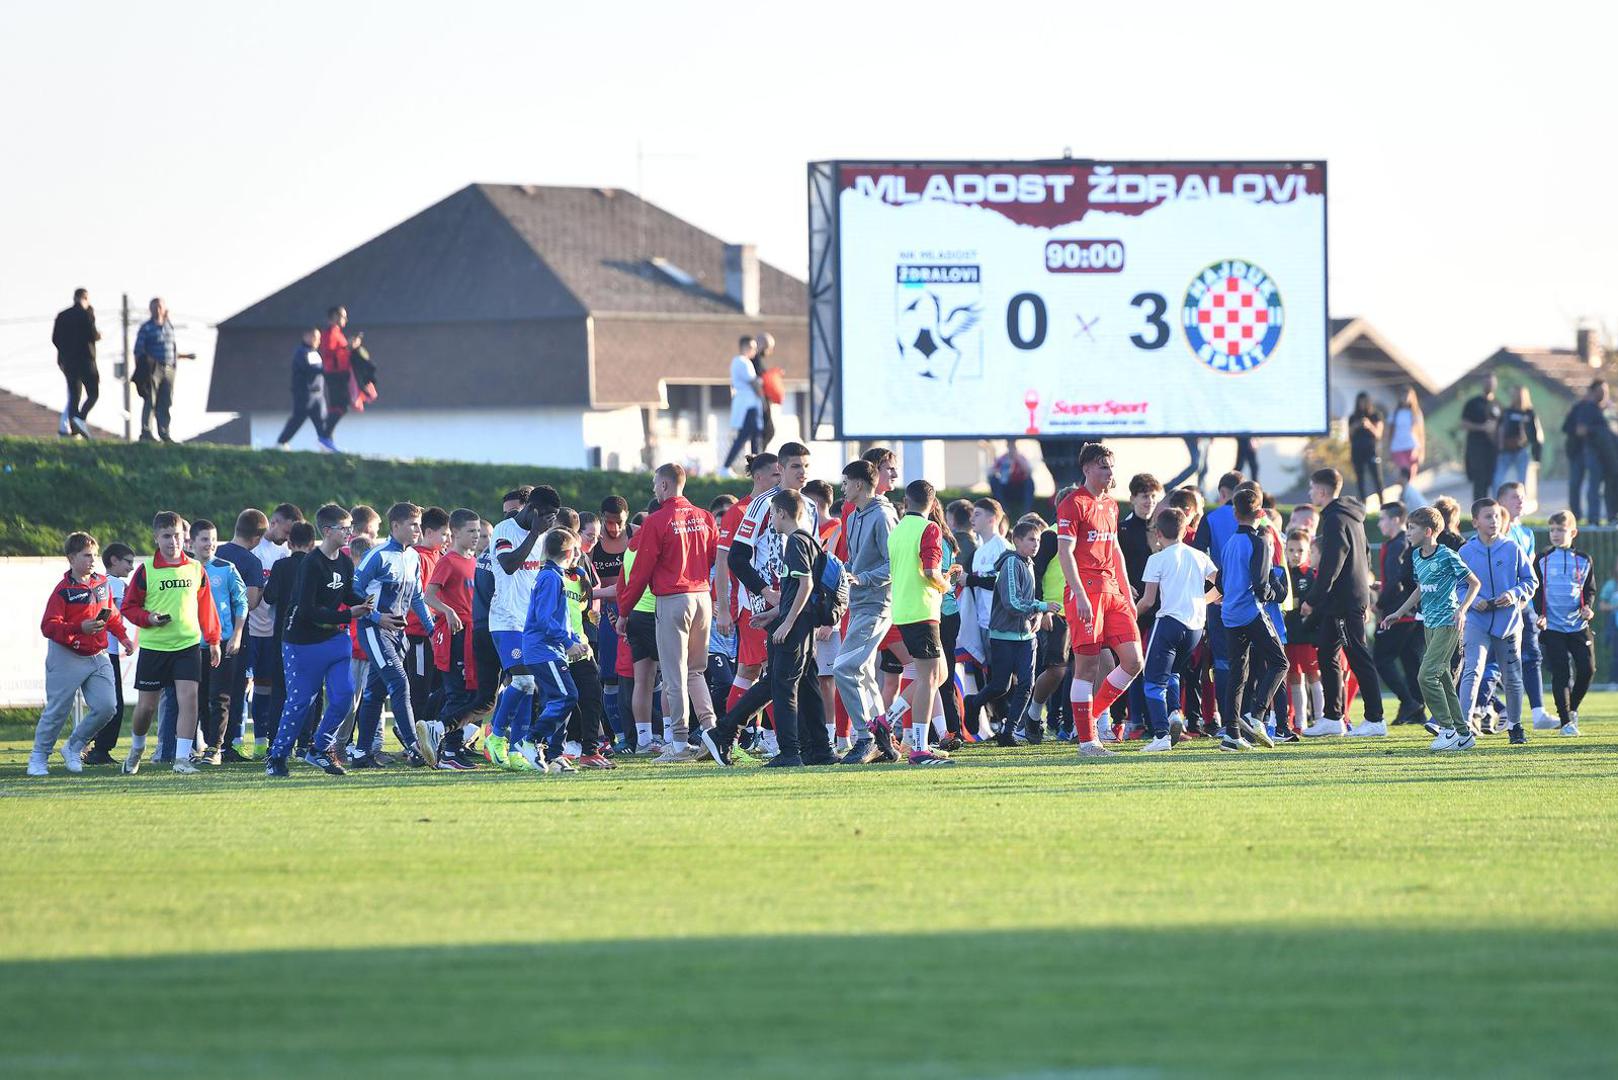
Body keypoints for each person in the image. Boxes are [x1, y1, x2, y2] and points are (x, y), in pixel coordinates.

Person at [707, 489, 835, 767]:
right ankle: (818, 749)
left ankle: (789, 751)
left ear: (780, 513)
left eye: (773, 515)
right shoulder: (810, 540)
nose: (771, 522)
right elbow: (795, 591)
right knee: (798, 683)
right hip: (799, 622)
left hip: (794, 626)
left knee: (782, 686)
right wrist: (773, 614)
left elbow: (805, 586)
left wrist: (786, 622)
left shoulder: (795, 543)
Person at [618, 463, 720, 764]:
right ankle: (712, 731)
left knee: (674, 674)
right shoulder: (705, 516)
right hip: (702, 596)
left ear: (664, 486)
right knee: (695, 671)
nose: (653, 489)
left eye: (654, 483)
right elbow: (713, 556)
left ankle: (678, 742)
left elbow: (640, 571)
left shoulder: (657, 520)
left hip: (673, 598)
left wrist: (625, 610)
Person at [265, 504, 374, 777]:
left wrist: (367, 603)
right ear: (327, 531)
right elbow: (306, 610)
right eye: (344, 528)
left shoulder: (345, 561)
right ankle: (277, 756)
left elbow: (347, 594)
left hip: (335, 640)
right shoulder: (311, 564)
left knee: (344, 696)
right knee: (300, 701)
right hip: (302, 642)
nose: (350, 532)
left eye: (351, 527)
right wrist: (350, 613)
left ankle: (319, 749)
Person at [1056, 443, 1144, 758]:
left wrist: (1127, 590)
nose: (1109, 473)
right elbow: (1064, 552)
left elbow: (1115, 550)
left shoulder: (1110, 504)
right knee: (1087, 666)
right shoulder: (1072, 503)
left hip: (1112, 591)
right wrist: (1078, 594)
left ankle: (1089, 719)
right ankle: (1086, 742)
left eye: (1111, 467)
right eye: (1103, 467)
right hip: (1086, 590)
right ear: (1087, 469)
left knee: (1134, 660)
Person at [118, 511, 222, 774]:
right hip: (155, 648)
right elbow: (129, 608)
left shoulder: (196, 568)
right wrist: (149, 618)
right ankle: (137, 749)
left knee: (189, 701)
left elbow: (206, 607)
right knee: (146, 708)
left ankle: (182, 759)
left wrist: (213, 640)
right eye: (166, 536)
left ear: (184, 536)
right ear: (156, 538)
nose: (172, 542)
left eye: (176, 536)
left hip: (187, 646)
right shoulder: (146, 571)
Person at [1378, 507, 1481, 752]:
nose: (1407, 531)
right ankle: (1464, 734)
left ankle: (1447, 730)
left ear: (1427, 531)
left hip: (1448, 622)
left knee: (1426, 675)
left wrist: (1462, 609)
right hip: (1428, 623)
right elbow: (1420, 588)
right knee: (1443, 679)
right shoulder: (1415, 556)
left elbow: (1474, 583)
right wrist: (1400, 612)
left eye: (1412, 528)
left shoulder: (1446, 554)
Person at [29, 532, 134, 775]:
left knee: (108, 706)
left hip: (97, 653)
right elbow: (48, 626)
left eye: (94, 555)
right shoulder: (63, 590)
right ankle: (38, 758)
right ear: (71, 558)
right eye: (87, 555)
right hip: (66, 654)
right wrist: (79, 628)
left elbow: (110, 614)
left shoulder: (101, 583)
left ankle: (74, 747)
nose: (92, 560)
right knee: (58, 710)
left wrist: (123, 636)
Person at [352, 502, 436, 768]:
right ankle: (415, 747)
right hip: (374, 631)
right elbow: (354, 592)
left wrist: (432, 629)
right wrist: (377, 617)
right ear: (396, 526)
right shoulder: (376, 556)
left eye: (419, 525)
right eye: (413, 525)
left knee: (375, 693)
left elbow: (417, 598)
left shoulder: (413, 557)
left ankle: (361, 753)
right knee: (400, 684)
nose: (417, 530)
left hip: (399, 635)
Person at [1302, 467, 1383, 736]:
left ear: (1323, 491)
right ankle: (1333, 717)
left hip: (1345, 600)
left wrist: (1313, 598)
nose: (1310, 492)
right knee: (1326, 652)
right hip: (1344, 599)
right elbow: (1365, 556)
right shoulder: (1350, 516)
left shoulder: (1336, 518)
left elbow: (1332, 563)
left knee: (1357, 655)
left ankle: (1375, 719)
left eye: (1312, 488)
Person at [964, 520, 1058, 745]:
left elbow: (1027, 598)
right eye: (1031, 540)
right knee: (1000, 685)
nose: (1036, 545)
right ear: (1016, 541)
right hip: (1003, 636)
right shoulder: (1011, 564)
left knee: (1026, 684)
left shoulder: (1029, 563)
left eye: (1038, 540)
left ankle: (1009, 733)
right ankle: (974, 702)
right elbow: (1012, 602)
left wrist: (1036, 614)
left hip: (1026, 637)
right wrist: (1041, 607)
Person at [485, 485, 559, 766]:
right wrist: (534, 533)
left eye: (553, 517)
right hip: (505, 620)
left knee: (530, 686)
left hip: (529, 622)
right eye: (546, 515)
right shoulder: (505, 530)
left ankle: (517, 751)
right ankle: (496, 736)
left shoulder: (542, 538)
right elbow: (509, 565)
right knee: (524, 681)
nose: (549, 521)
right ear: (532, 510)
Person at [831, 459, 899, 764]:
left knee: (844, 668)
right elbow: (858, 562)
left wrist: (862, 577)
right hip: (859, 604)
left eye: (845, 483)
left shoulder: (884, 515)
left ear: (859, 484)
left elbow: (894, 565)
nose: (842, 488)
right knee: (864, 673)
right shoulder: (855, 515)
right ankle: (883, 742)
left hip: (878, 604)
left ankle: (865, 737)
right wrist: (842, 572)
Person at [1135, 507, 1218, 751]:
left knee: (1152, 680)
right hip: (1195, 628)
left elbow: (1148, 600)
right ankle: (1174, 714)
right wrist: (1202, 600)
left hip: (1169, 622)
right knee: (1173, 673)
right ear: (1184, 530)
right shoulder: (1199, 556)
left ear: (1158, 533)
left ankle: (1161, 734)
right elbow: (1220, 585)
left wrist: (1130, 615)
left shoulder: (1157, 559)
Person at [1456, 498, 1536, 745]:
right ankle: (1464, 728)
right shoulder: (1465, 552)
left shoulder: (1512, 548)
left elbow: (1531, 581)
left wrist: (1513, 594)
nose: (1494, 521)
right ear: (1475, 521)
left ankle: (1515, 726)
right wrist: (1473, 599)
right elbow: (1458, 585)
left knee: (1512, 676)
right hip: (1477, 621)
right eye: (1488, 517)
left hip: (1509, 622)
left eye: (1497, 517)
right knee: (1473, 669)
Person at [1217, 487, 1288, 751]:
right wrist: (1275, 591)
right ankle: (1256, 715)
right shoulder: (1259, 542)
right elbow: (1260, 586)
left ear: (1235, 513)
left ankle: (1231, 734)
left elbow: (1222, 582)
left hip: (1230, 615)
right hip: (1251, 611)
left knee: (1238, 673)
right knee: (1281, 662)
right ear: (1260, 513)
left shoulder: (1229, 543)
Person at [422, 508, 485, 770]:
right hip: (454, 636)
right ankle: (449, 751)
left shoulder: (475, 561)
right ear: (456, 532)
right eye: (470, 531)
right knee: (457, 694)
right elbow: (428, 595)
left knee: (473, 695)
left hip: (473, 635)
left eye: (478, 531)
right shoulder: (448, 561)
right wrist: (447, 611)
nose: (475, 536)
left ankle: (451, 746)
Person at [190, 520, 248, 765]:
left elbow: (241, 602)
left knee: (219, 697)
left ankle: (215, 749)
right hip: (192, 643)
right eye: (204, 539)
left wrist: (236, 635)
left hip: (223, 642)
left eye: (213, 539)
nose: (210, 544)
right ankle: (200, 747)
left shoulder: (226, 568)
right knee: (198, 698)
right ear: (191, 542)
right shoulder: (185, 569)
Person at [247, 504, 302, 755]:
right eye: (286, 531)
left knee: (271, 687)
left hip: (275, 632)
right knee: (247, 688)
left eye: (292, 534)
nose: (287, 538)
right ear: (274, 522)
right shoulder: (254, 551)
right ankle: (253, 741)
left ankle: (270, 741)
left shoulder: (286, 556)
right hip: (251, 629)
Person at [1533, 511, 1594, 737]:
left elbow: (1589, 589)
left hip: (1578, 626)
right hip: (1553, 627)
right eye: (1552, 530)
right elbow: (1537, 591)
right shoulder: (1542, 558)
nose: (1555, 534)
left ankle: (1573, 709)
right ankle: (1566, 722)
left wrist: (1588, 606)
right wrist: (1540, 614)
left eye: (1561, 530)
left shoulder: (1584, 559)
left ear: (1573, 532)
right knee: (1561, 675)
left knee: (1588, 669)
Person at [82, 542, 137, 765]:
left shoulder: (101, 582)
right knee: (114, 704)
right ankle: (99, 749)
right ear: (114, 560)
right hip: (107, 651)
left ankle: (87, 743)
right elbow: (108, 614)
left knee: (105, 702)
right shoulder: (115, 584)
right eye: (128, 562)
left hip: (98, 650)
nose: (131, 568)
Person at [1371, 502, 1425, 726]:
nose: (1379, 523)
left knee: (1381, 659)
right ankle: (1416, 711)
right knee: (1410, 660)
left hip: (1400, 613)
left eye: (1382, 518)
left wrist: (1381, 602)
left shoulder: (1399, 544)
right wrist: (1381, 586)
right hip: (1408, 611)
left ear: (1395, 520)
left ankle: (1409, 702)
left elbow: (1397, 581)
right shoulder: (1398, 543)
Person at [132, 297, 193, 442]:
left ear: (164, 308)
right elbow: (138, 351)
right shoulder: (146, 328)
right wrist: (142, 370)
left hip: (169, 367)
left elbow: (173, 347)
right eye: (154, 307)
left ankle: (164, 432)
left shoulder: (168, 326)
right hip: (154, 368)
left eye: (159, 307)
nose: (157, 310)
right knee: (150, 400)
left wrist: (177, 362)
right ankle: (146, 432)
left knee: (165, 401)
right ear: (150, 310)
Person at [1564, 380, 1616, 525]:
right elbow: (1576, 429)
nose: (1604, 395)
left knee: (1608, 486)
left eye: (1605, 392)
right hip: (1586, 453)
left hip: (1607, 455)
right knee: (1584, 485)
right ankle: (1587, 518)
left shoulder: (1608, 410)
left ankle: (1609, 517)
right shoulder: (1584, 408)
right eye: (1600, 391)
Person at [51, 288, 101, 439]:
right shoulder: (87, 314)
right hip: (86, 360)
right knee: (93, 393)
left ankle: (74, 428)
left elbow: (55, 339)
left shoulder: (62, 315)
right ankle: (80, 418)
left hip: (68, 362)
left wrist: (65, 354)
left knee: (74, 395)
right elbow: (92, 334)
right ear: (85, 298)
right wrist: (99, 336)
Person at [275, 327, 327, 448]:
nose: (318, 341)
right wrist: (328, 370)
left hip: (318, 395)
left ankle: (325, 444)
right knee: (297, 419)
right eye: (315, 337)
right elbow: (312, 369)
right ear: (306, 337)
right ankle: (281, 443)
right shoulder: (302, 352)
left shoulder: (315, 353)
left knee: (322, 421)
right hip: (305, 394)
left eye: (319, 338)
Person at [721, 335, 762, 472]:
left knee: (752, 436)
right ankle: (727, 466)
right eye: (752, 347)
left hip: (748, 403)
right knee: (747, 436)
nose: (755, 351)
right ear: (745, 347)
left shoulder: (740, 362)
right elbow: (754, 383)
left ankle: (756, 467)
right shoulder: (742, 362)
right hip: (748, 405)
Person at [1459, 373, 1502, 502]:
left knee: (1492, 480)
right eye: (1487, 382)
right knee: (1479, 481)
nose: (1489, 385)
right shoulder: (1473, 403)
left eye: (1491, 383)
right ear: (1482, 384)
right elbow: (1463, 424)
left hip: (1493, 449)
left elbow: (1502, 426)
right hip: (1476, 448)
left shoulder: (1498, 404)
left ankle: (1490, 510)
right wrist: (1482, 427)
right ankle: (1478, 511)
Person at [1491, 385, 1542, 491]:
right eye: (1515, 395)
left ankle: (1521, 503)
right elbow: (1500, 429)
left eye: (1519, 395)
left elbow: (1535, 433)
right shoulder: (1507, 412)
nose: (1517, 398)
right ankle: (1498, 503)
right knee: (1498, 480)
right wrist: (1499, 446)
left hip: (1522, 449)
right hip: (1506, 449)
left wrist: (1537, 454)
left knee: (1522, 481)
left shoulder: (1529, 413)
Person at [318, 306, 351, 452]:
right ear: (334, 317)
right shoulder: (330, 333)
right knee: (341, 406)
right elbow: (329, 353)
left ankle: (328, 441)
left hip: (340, 374)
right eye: (342, 316)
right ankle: (325, 437)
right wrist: (347, 347)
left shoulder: (338, 333)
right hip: (335, 374)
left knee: (336, 406)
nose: (345, 319)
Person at [1347, 392, 1385, 504]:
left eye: (1364, 401)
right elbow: (1349, 434)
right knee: (1360, 480)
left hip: (1371, 451)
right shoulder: (1353, 417)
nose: (1362, 404)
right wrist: (1357, 425)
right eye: (1360, 402)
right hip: (1357, 451)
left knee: (1377, 478)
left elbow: (1378, 433)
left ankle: (1382, 503)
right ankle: (1363, 504)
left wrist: (1369, 425)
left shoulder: (1375, 416)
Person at [1388, 386, 1425, 498]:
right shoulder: (1394, 414)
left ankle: (1407, 497)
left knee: (1411, 476)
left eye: (1407, 395)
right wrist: (1388, 449)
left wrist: (1421, 451)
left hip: (1412, 447)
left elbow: (1420, 434)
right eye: (1403, 395)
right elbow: (1390, 432)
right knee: (1403, 472)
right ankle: (1403, 496)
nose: (1405, 398)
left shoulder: (1415, 413)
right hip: (1398, 448)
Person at [988, 443, 1035, 517]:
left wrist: (1017, 459)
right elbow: (990, 472)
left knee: (1029, 481)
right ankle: (1003, 509)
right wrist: (1001, 468)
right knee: (993, 480)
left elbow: (1029, 471)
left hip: (1019, 487)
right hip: (1006, 487)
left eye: (1013, 447)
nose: (1011, 449)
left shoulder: (1021, 458)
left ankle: (1026, 511)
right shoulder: (1003, 458)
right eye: (1010, 447)